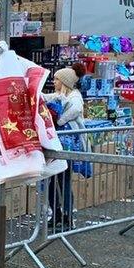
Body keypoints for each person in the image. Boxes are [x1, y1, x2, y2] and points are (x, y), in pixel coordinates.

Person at [42, 63, 87, 231]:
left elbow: (75, 109)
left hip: (69, 145)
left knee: (64, 180)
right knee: (53, 179)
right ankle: (56, 213)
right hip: (58, 145)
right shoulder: (60, 94)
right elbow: (47, 97)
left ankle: (67, 215)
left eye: (56, 79)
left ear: (65, 81)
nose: (54, 81)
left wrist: (60, 120)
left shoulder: (75, 96)